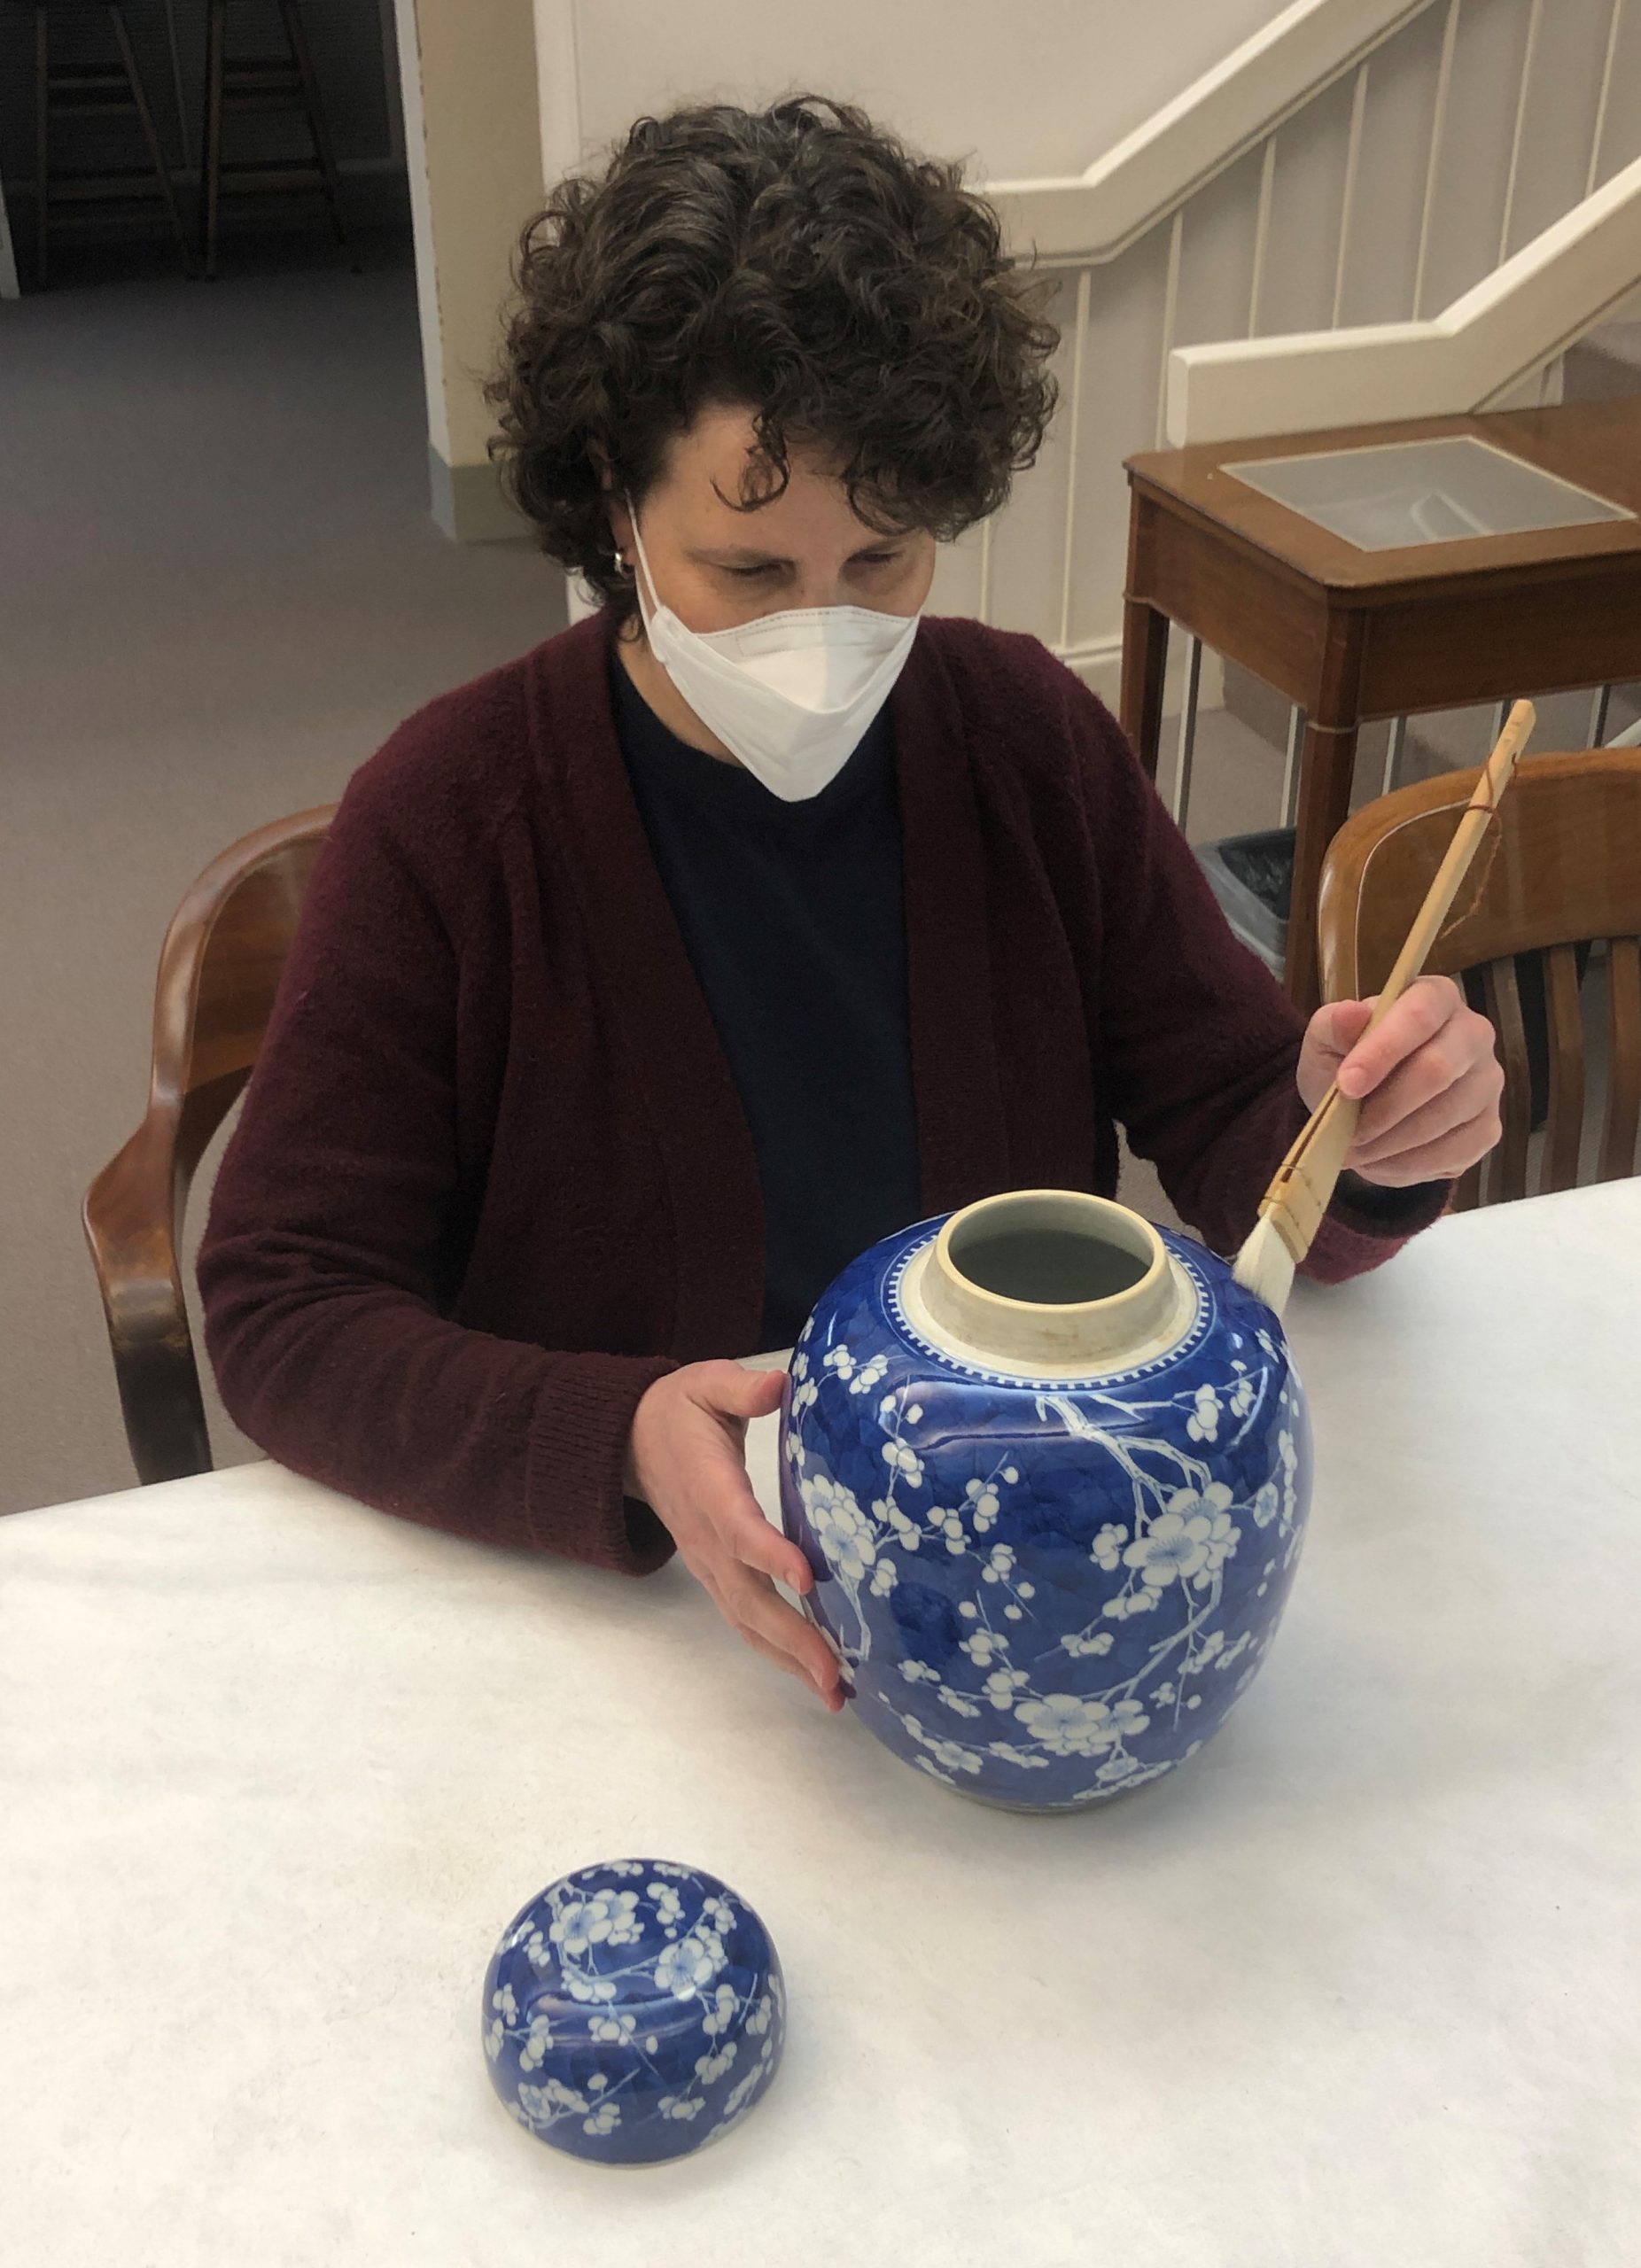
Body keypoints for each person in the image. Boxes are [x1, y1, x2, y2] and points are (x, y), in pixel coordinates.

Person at [198, 96, 1503, 1715]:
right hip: (645, 1624)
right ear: (615, 504)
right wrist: (612, 1432)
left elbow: (1240, 1116)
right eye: (747, 573)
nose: (823, 628)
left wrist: (1359, 1138)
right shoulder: (455, 821)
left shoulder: (1022, 740)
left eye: (883, 562)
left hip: (1016, 1576)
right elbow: (282, 1306)